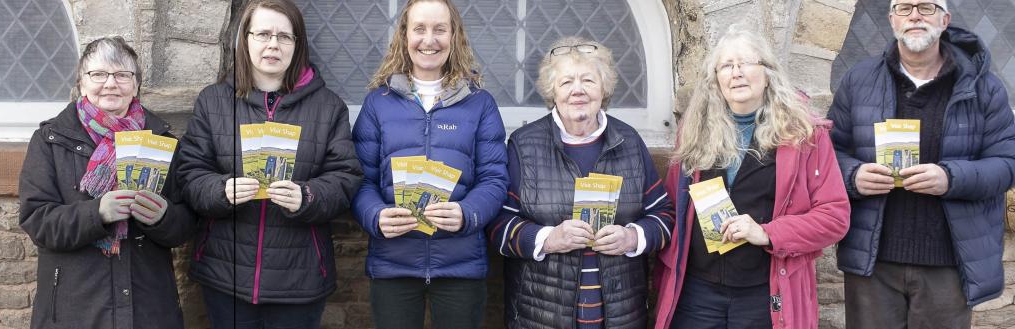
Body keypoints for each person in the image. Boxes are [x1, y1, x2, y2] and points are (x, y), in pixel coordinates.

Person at [828, 1, 1015, 328]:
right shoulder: (858, 80)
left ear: (945, 19)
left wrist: (950, 177)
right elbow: (828, 154)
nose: (914, 15)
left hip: (948, 263)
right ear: (891, 20)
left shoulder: (983, 87)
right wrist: (853, 176)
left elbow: (1008, 163)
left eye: (926, 7)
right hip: (873, 263)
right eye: (904, 7)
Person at [176, 0, 363, 327]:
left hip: (299, 277)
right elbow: (190, 172)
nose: (273, 44)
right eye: (262, 34)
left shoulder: (328, 107)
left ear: (298, 44)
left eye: (284, 36)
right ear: (245, 39)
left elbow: (345, 177)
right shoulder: (214, 100)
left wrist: (307, 196)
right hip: (226, 273)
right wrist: (222, 190)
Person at [652, 25, 851, 329]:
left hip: (765, 292)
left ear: (768, 72)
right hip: (697, 292)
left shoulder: (805, 135)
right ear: (716, 80)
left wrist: (768, 233)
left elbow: (834, 217)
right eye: (727, 66)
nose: (737, 73)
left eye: (746, 63)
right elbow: (674, 211)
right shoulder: (694, 132)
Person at [488, 36, 674, 328]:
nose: (577, 90)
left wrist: (632, 237)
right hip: (541, 317)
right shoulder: (524, 146)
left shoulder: (630, 142)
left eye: (588, 80)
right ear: (553, 92)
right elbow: (498, 224)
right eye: (566, 83)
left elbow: (664, 216)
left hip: (620, 315)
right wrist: (548, 239)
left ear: (604, 88)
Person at [18, 36, 195, 329]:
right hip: (75, 308)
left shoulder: (162, 141)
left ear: (136, 84)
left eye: (122, 75)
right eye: (98, 74)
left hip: (147, 308)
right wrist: (96, 213)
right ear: (81, 82)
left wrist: (163, 217)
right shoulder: (50, 141)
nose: (111, 83)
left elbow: (186, 225)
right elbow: (37, 221)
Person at [350, 0, 508, 327]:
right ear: (404, 35)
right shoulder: (377, 103)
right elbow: (359, 181)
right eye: (419, 28)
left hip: (460, 266)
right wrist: (376, 216)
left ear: (454, 36)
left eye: (440, 29)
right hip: (393, 264)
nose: (429, 39)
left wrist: (468, 213)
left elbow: (494, 179)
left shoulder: (480, 103)